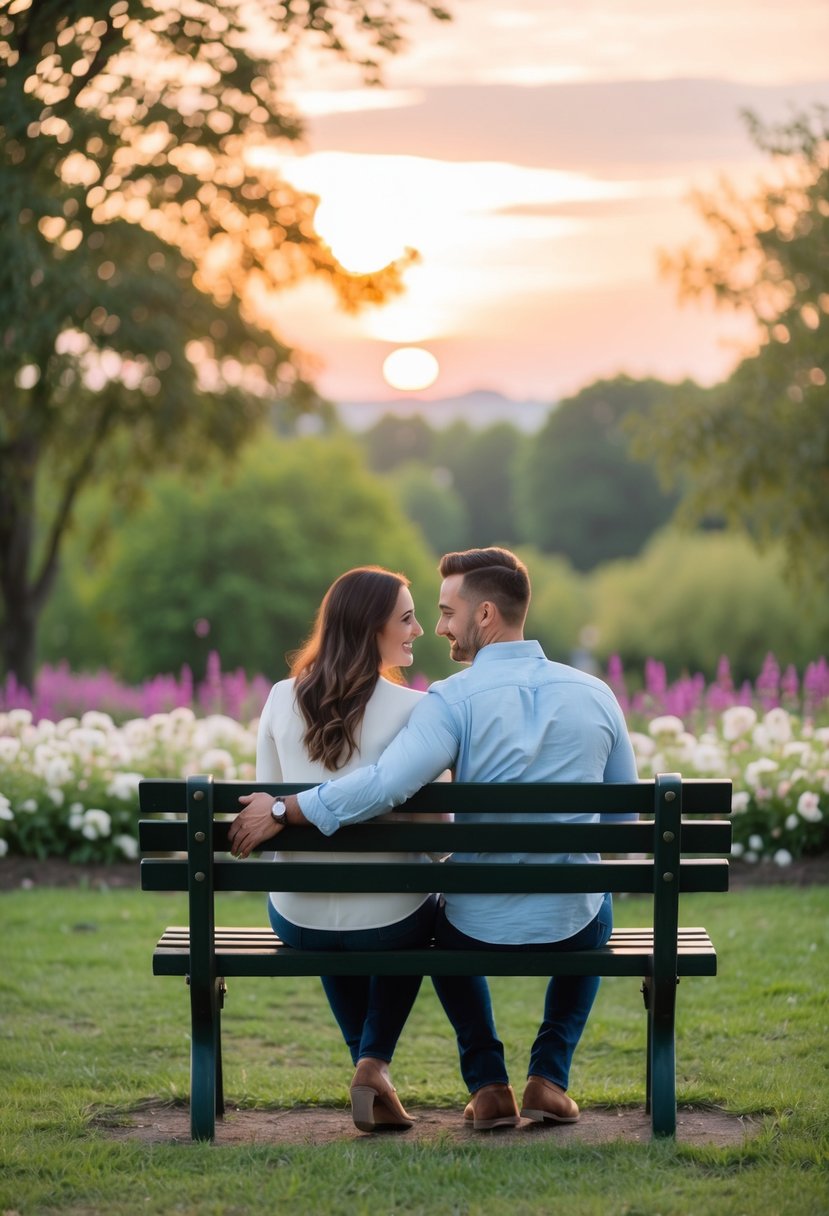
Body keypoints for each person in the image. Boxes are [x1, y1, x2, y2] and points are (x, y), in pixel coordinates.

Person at [230, 547, 638, 1132]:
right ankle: (549, 1076)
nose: (438, 626)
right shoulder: (597, 694)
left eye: (447, 612)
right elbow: (622, 819)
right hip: (572, 918)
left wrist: (287, 806)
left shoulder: (451, 700)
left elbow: (383, 785)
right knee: (597, 907)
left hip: (469, 922)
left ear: (487, 615)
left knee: (443, 925)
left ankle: (489, 1084)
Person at [238, 566, 445, 1134]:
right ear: (368, 627)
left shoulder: (280, 699)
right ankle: (372, 1064)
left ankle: (371, 1074)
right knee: (431, 914)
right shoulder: (414, 709)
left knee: (342, 921)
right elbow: (438, 837)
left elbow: (266, 809)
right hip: (392, 923)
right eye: (406, 618)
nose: (420, 629)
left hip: (296, 919)